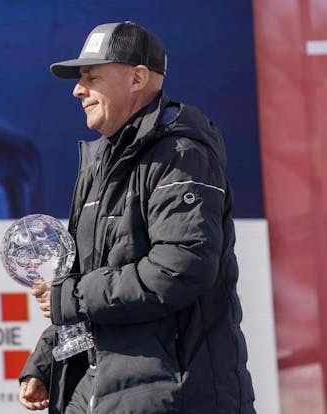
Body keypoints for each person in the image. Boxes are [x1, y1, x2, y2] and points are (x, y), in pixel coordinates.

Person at [18, 21, 256, 413]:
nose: (78, 89)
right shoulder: (97, 165)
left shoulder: (181, 155)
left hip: (175, 397)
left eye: (92, 77)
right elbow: (87, 280)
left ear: (137, 78)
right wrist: (46, 359)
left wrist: (71, 297)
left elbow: (180, 269)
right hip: (98, 391)